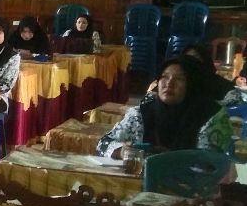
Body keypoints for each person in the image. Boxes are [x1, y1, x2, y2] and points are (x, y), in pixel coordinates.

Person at [98, 55, 232, 158]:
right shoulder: (141, 113)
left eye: (179, 79)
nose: (169, 83)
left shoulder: (211, 116)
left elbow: (210, 163)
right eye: (164, 77)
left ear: (193, 84)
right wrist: (121, 151)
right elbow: (104, 143)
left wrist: (167, 160)